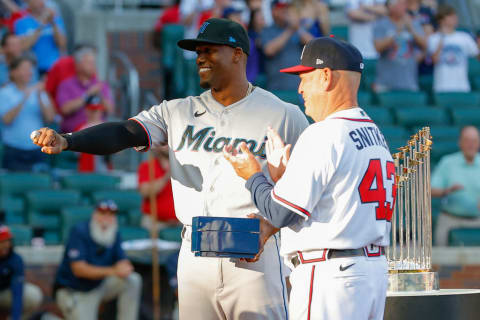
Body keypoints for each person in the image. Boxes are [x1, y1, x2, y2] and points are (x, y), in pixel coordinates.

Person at [32, 18, 309, 319]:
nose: (200, 58)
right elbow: (126, 133)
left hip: (254, 251)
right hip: (195, 251)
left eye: (210, 50)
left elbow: (311, 185)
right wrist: (69, 140)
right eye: (198, 51)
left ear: (238, 54)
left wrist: (273, 228)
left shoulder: (283, 114)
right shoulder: (176, 111)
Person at [224, 37, 394, 320]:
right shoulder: (375, 133)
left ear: (326, 76)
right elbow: (330, 204)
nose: (300, 88)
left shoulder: (324, 133)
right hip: (369, 272)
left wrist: (252, 175)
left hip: (331, 275)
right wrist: (284, 179)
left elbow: (280, 212)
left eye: (305, 77)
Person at [54, 200, 142, 320]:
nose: (106, 218)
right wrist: (113, 271)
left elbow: (122, 260)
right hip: (77, 290)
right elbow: (79, 270)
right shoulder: (80, 231)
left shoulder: (114, 233)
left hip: (99, 285)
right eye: (102, 213)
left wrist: (125, 268)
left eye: (111, 215)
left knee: (132, 279)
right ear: (95, 215)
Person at [0, 56, 54, 171]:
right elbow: (6, 120)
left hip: (37, 149)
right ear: (13, 72)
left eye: (30, 69)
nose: (29, 72)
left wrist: (39, 96)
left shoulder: (38, 91)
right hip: (13, 150)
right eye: (24, 68)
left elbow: (49, 118)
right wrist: (24, 97)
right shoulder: (5, 93)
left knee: (39, 186)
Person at [431, 126, 480, 246]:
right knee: (442, 258)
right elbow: (430, 190)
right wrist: (445, 191)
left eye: (474, 141)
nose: (471, 145)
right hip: (450, 220)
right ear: (460, 142)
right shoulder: (447, 163)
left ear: (478, 143)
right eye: (467, 140)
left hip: (477, 220)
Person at [56, 46, 114, 133]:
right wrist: (87, 95)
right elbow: (65, 109)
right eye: (88, 62)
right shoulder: (66, 85)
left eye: (93, 62)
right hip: (73, 138)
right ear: (77, 65)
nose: (93, 66)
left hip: (98, 136)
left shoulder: (101, 85)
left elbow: (110, 110)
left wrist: (100, 96)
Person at [373, 0, 426, 92]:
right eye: (400, 4)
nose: (404, 7)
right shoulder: (381, 24)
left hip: (409, 81)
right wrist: (397, 32)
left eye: (405, 4)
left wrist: (411, 30)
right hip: (386, 82)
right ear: (391, 7)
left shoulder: (413, 23)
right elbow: (378, 48)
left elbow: (425, 45)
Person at [261, 0, 313, 91]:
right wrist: (290, 30)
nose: (284, 11)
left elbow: (314, 45)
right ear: (273, 11)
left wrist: (298, 28)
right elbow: (269, 50)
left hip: (300, 87)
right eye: (280, 8)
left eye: (286, 8)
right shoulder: (266, 30)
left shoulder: (298, 29)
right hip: (278, 88)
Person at [428, 5, 479, 93]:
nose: (455, 18)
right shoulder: (433, 38)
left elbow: (477, 56)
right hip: (442, 87)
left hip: (462, 87)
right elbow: (434, 60)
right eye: (450, 16)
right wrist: (442, 39)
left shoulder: (465, 37)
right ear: (441, 20)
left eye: (455, 15)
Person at [0, 225, 43, 320]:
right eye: (1, 242)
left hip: (4, 293)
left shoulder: (15, 259)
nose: (5, 245)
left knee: (33, 295)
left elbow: (17, 291)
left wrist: (16, 318)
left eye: (7, 241)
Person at [14, 0, 66, 75]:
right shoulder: (21, 22)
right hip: (32, 70)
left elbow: (62, 44)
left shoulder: (56, 20)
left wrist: (53, 23)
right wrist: (41, 25)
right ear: (29, 3)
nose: (40, 3)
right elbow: (24, 46)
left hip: (54, 67)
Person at [137, 145, 178, 232]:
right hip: (155, 222)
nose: (167, 145)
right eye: (163, 143)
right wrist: (167, 176)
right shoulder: (147, 166)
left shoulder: (183, 168)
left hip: (179, 223)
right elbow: (145, 192)